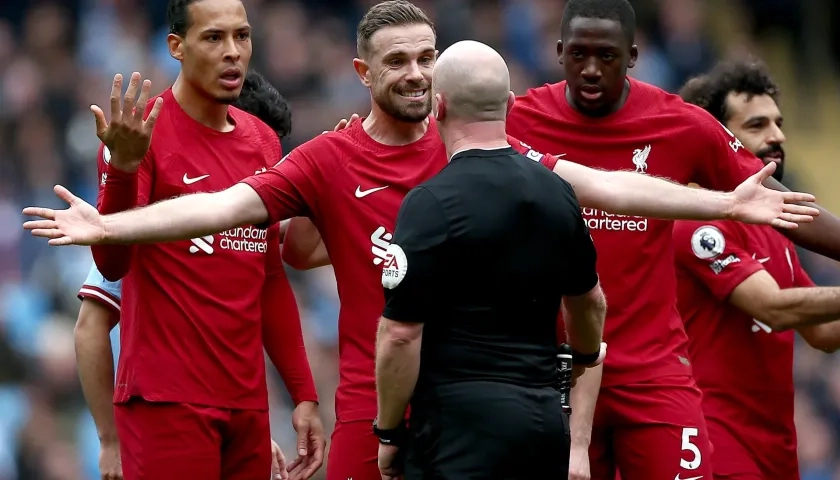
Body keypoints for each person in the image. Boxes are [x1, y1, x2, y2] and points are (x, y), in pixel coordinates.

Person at [20, 2, 819, 479]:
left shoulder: (469, 148)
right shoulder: (328, 158)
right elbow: (221, 210)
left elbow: (602, 183)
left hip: (473, 410)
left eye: (425, 58)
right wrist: (110, 218)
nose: (413, 72)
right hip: (374, 411)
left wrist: (726, 203)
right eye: (396, 59)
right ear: (363, 74)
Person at [504, 0, 840, 478]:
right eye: (579, 55)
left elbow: (782, 202)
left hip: (652, 373)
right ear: (558, 51)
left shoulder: (679, 125)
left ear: (634, 55)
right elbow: (432, 152)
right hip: (558, 373)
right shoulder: (519, 119)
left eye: (608, 56)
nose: (593, 69)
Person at [70, 0, 326, 478]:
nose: (233, 52)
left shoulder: (263, 142)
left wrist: (304, 394)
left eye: (242, 36)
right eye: (213, 38)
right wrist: (123, 171)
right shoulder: (139, 131)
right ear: (177, 47)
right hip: (166, 400)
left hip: (247, 405)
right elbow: (111, 266)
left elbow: (269, 277)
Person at [372, 40, 607, 480]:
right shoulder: (557, 192)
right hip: (541, 424)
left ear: (436, 106)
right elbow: (590, 301)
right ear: (511, 104)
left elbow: (401, 335)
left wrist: (387, 432)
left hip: (457, 431)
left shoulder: (430, 203)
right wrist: (585, 358)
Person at [673, 58, 840, 480]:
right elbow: (775, 308)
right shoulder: (699, 222)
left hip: (776, 448)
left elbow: (820, 333)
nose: (777, 136)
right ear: (717, 140)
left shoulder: (775, 227)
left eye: (778, 123)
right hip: (718, 444)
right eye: (757, 126)